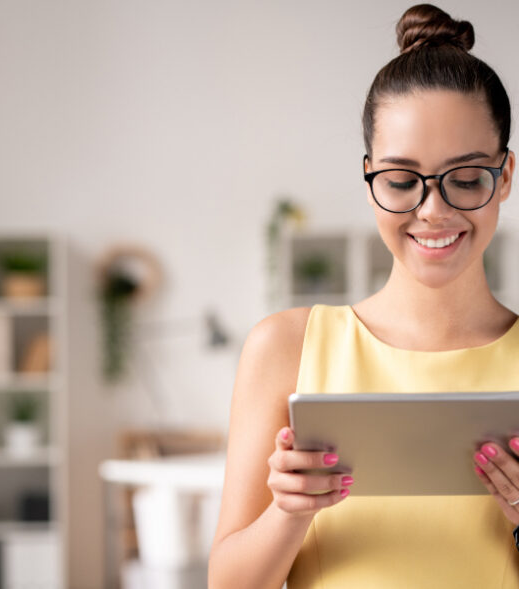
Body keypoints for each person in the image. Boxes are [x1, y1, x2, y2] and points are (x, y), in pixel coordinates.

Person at [208, 4, 519, 588]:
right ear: (371, 177)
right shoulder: (285, 347)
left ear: (504, 177)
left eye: (467, 177)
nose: (433, 210)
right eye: (402, 181)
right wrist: (288, 512)